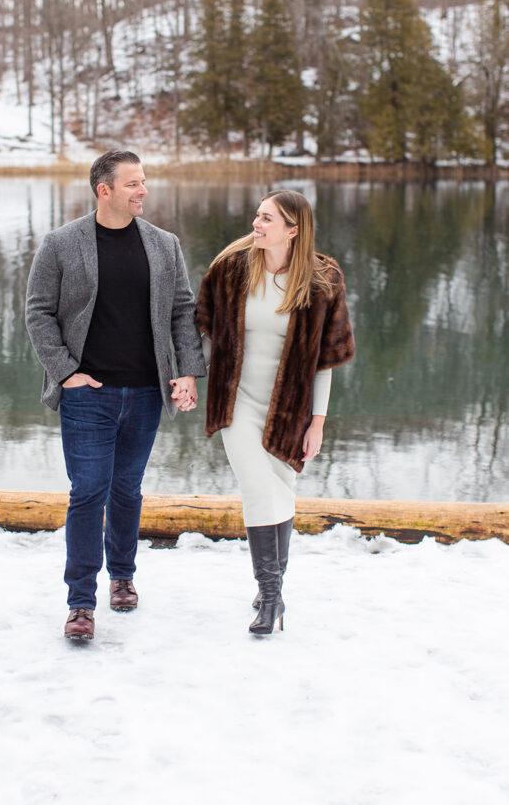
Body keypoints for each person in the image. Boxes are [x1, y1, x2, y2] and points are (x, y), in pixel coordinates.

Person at [26, 150, 205, 642]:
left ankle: (122, 576)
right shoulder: (61, 244)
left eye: (143, 182)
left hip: (146, 392)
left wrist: (187, 371)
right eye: (132, 184)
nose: (142, 190)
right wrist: (66, 373)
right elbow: (38, 313)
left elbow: (182, 312)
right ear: (104, 190)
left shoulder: (164, 245)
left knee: (127, 490)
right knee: (88, 492)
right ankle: (80, 602)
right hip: (88, 395)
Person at [196, 189, 355, 636]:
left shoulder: (322, 280)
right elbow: (206, 334)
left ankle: (274, 591)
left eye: (267, 219)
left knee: (281, 489)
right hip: (236, 401)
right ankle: (270, 597)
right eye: (257, 215)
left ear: (293, 229)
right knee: (257, 488)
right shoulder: (231, 269)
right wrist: (189, 377)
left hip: (290, 407)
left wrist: (318, 421)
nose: (256, 224)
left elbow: (325, 360)